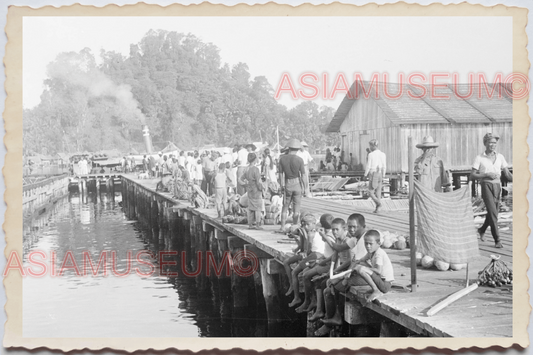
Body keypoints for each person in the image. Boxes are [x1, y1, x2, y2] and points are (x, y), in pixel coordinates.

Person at [320, 230, 394, 331]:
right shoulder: (370, 253)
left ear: (379, 244)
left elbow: (378, 270)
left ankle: (375, 290)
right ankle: (335, 315)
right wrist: (347, 273)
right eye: (366, 243)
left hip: (385, 285)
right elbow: (359, 261)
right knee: (359, 266)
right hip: (380, 280)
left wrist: (359, 269)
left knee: (361, 268)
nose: (368, 246)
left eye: (370, 244)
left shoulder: (378, 254)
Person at [471, 133, 512, 248]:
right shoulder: (479, 158)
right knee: (493, 213)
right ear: (485, 143)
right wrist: (486, 174)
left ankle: (482, 229)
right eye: (490, 142)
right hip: (486, 186)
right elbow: (473, 175)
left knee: (493, 213)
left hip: (497, 187)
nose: (493, 145)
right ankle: (497, 240)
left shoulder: (500, 157)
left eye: (494, 143)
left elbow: (507, 174)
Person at [284, 213, 325, 307]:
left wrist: (304, 256)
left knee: (294, 272)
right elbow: (306, 248)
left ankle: (297, 297)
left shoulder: (310, 234)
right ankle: (303, 297)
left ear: (314, 224)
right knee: (301, 271)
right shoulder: (316, 231)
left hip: (315, 255)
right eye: (304, 225)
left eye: (308, 224)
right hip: (317, 255)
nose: (306, 227)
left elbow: (308, 250)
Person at [278, 138, 306, 229]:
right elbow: (303, 176)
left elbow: (280, 174)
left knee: (285, 206)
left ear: (289, 148)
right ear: (297, 149)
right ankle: (294, 226)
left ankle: (282, 227)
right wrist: (305, 188)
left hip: (287, 184)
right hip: (297, 184)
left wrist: (281, 186)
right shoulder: (300, 160)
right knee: (296, 207)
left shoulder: (282, 159)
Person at [239, 153, 264, 229]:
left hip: (249, 190)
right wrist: (262, 189)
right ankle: (257, 225)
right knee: (258, 208)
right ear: (255, 159)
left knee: (250, 208)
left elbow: (240, 179)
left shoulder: (246, 169)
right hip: (256, 190)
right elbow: (258, 182)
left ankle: (250, 225)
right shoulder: (256, 169)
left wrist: (245, 185)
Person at [364, 139, 386, 213]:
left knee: (370, 192)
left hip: (373, 173)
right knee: (378, 191)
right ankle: (378, 208)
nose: (370, 147)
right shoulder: (383, 154)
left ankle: (378, 204)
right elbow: (384, 166)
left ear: (373, 146)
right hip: (380, 173)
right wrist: (384, 175)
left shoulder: (371, 155)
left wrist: (365, 174)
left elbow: (368, 166)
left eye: (370, 146)